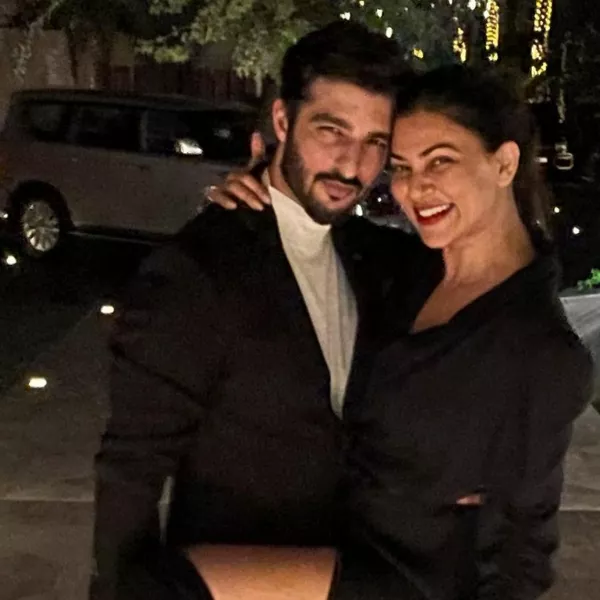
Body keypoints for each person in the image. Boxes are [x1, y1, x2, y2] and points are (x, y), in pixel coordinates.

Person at [208, 65, 593, 599]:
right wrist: (260, 189)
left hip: (410, 581)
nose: (415, 188)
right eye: (402, 167)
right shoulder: (406, 266)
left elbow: (523, 551)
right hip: (335, 539)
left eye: (441, 161)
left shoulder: (539, 350)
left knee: (171, 584)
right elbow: (311, 226)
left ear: (504, 163)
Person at [90, 21, 423, 600]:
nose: (352, 166)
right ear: (281, 121)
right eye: (331, 131)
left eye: (375, 142)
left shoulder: (374, 257)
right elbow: (130, 474)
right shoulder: (197, 272)